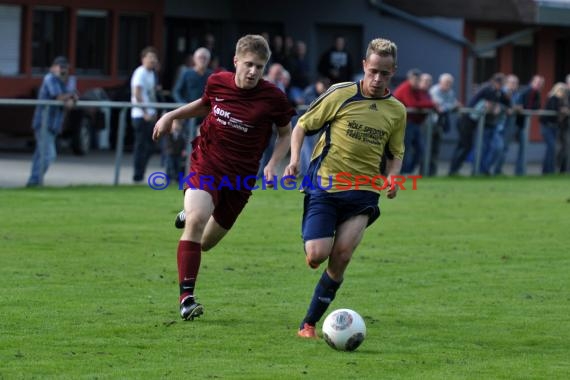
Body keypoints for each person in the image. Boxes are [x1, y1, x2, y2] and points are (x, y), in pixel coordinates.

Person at [152, 34, 295, 321]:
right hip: (208, 163)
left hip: (240, 179)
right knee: (195, 221)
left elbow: (285, 133)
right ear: (236, 62)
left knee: (205, 242)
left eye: (260, 66)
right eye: (249, 65)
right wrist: (172, 116)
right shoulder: (218, 81)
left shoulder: (273, 98)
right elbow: (205, 104)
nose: (253, 71)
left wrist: (273, 163)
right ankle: (186, 299)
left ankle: (191, 211)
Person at [283, 37, 406, 339]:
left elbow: (396, 152)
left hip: (363, 192)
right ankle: (314, 248)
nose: (377, 79)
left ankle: (309, 323)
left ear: (393, 72)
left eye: (385, 74)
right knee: (316, 255)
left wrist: (393, 177)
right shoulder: (341, 94)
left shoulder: (396, 111)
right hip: (325, 186)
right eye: (373, 71)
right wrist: (295, 158)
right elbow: (301, 125)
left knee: (343, 255)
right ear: (364, 66)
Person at [26, 56, 78, 187]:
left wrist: (71, 97)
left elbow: (69, 104)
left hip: (54, 125)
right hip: (44, 123)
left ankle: (33, 182)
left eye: (66, 68)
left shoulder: (62, 82)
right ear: (53, 67)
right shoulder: (50, 78)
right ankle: (35, 181)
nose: (64, 70)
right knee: (49, 154)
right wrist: (71, 96)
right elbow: (59, 96)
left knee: (40, 154)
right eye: (61, 67)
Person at [448, 73, 510, 176]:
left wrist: (502, 106)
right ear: (494, 82)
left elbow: (505, 103)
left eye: (502, 84)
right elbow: (491, 106)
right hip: (467, 121)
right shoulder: (488, 89)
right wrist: (496, 107)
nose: (501, 86)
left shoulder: (497, 92)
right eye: (500, 83)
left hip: (474, 123)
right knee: (464, 146)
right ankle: (453, 170)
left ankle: (458, 170)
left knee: (468, 146)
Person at [393, 68, 435, 174]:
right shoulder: (405, 88)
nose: (417, 82)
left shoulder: (417, 90)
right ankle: (401, 172)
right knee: (404, 150)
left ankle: (407, 172)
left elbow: (424, 102)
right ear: (410, 79)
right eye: (415, 79)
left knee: (420, 150)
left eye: (418, 79)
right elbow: (412, 104)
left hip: (414, 123)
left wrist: (430, 104)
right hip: (403, 123)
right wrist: (432, 105)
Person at [131, 46, 159, 183]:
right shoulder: (140, 73)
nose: (153, 60)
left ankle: (141, 172)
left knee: (151, 146)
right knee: (141, 146)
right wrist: (145, 112)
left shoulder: (152, 74)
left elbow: (151, 94)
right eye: (150, 57)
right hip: (140, 115)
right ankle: (138, 175)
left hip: (151, 113)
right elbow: (137, 94)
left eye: (154, 58)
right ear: (143, 59)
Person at [512, 75, 545, 175]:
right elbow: (520, 105)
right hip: (515, 122)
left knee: (523, 147)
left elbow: (536, 106)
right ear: (532, 82)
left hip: (524, 124)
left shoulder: (536, 93)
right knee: (503, 146)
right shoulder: (525, 91)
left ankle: (520, 172)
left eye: (541, 84)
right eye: (537, 83)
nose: (539, 85)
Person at [429, 73, 461, 176]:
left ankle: (432, 173)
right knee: (427, 148)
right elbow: (441, 107)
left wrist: (450, 105)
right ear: (440, 82)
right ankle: (423, 172)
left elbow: (453, 104)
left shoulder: (450, 92)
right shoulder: (435, 90)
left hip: (440, 124)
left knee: (436, 149)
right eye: (447, 82)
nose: (449, 85)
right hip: (430, 124)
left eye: (450, 83)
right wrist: (452, 106)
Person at [539, 82, 568, 174]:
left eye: (563, 91)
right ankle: (547, 170)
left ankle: (549, 170)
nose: (562, 92)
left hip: (554, 127)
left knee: (552, 149)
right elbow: (553, 109)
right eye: (560, 90)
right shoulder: (552, 98)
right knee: (551, 147)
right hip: (547, 126)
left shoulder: (561, 100)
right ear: (556, 90)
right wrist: (562, 111)